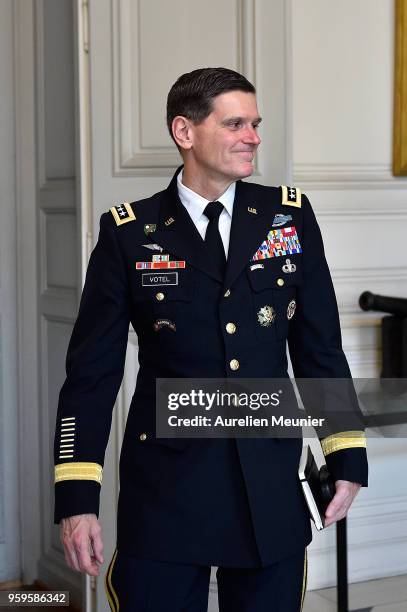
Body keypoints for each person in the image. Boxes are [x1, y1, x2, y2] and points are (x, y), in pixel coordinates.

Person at [54, 67, 368, 612]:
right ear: (185, 132)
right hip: (167, 492)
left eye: (256, 123)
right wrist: (77, 498)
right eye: (236, 124)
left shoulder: (288, 216)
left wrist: (345, 454)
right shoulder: (129, 232)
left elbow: (319, 348)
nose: (254, 137)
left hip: (267, 485)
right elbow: (91, 374)